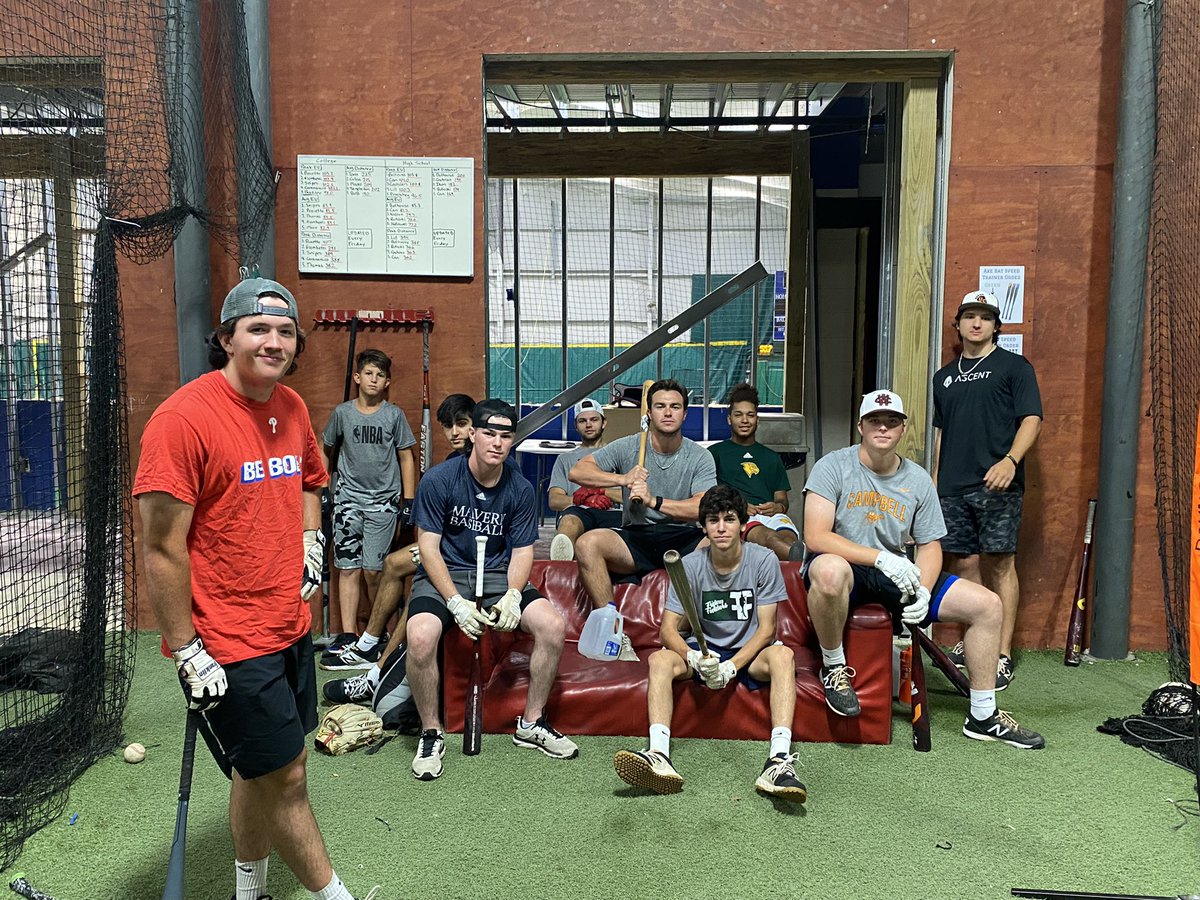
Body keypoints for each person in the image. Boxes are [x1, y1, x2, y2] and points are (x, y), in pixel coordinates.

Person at [134, 277, 368, 900]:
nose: (273, 341)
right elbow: (158, 546)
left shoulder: (288, 407)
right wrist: (185, 648)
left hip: (289, 622)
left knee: (256, 769)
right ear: (227, 337)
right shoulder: (183, 420)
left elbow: (310, 482)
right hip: (228, 638)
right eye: (258, 329)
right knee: (287, 778)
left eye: (285, 330)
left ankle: (250, 889)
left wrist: (309, 542)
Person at [802, 389, 1044, 749]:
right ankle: (834, 667)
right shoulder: (833, 466)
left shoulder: (916, 480)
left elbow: (930, 544)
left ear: (902, 429)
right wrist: (880, 558)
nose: (882, 428)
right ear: (860, 427)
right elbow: (816, 536)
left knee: (987, 605)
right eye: (874, 421)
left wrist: (924, 589)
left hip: (898, 574)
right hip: (848, 569)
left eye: (891, 422)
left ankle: (982, 714)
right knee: (829, 571)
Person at [406, 398, 579, 780]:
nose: (497, 443)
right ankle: (431, 732)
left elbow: (521, 552)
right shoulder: (440, 480)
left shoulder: (519, 488)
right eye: (489, 433)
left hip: (500, 572)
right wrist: (454, 602)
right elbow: (428, 547)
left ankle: (531, 724)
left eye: (505, 435)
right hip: (448, 571)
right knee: (420, 636)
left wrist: (514, 596)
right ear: (472, 434)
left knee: (552, 626)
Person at [613, 484, 807, 802]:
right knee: (659, 659)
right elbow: (667, 632)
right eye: (713, 520)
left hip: (749, 653)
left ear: (742, 523)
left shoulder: (764, 561)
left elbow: (767, 630)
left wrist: (730, 667)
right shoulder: (689, 565)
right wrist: (691, 658)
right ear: (703, 527)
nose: (720, 527)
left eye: (729, 519)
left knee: (783, 656)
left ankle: (778, 762)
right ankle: (659, 756)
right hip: (705, 653)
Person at [322, 394, 478, 701]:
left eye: (462, 424)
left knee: (421, 586)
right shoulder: (451, 463)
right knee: (393, 563)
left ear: (476, 426)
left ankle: (376, 674)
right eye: (448, 426)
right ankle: (368, 643)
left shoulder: (483, 462)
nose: (454, 433)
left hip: (467, 558)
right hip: (445, 547)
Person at [933, 290, 1043, 690]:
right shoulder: (943, 377)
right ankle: (976, 637)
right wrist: (934, 481)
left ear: (996, 325)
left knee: (1000, 564)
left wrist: (1010, 461)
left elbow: (1031, 420)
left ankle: (1001, 652)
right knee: (962, 564)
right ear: (958, 325)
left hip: (998, 484)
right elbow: (944, 433)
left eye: (985, 317)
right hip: (952, 488)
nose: (976, 323)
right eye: (969, 316)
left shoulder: (1014, 367)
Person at [569, 378, 717, 661]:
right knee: (588, 543)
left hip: (683, 538)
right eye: (660, 406)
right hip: (637, 537)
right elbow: (578, 471)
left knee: (713, 546)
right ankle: (615, 634)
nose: (668, 412)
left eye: (675, 407)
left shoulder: (700, 457)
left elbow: (703, 508)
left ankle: (677, 636)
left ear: (685, 413)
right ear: (649, 413)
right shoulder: (629, 447)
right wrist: (622, 478)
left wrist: (654, 501)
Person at [320, 349, 416, 668]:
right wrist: (323, 488)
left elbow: (405, 456)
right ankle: (350, 636)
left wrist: (408, 500)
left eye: (380, 375)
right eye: (369, 374)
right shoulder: (343, 413)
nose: (374, 380)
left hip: (383, 504)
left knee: (374, 571)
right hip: (347, 500)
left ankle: (377, 635)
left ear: (387, 382)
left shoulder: (394, 415)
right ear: (358, 378)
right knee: (347, 568)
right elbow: (326, 450)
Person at [708, 381, 802, 562]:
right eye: (738, 415)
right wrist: (737, 505)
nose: (745, 420)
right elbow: (708, 496)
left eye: (750, 415)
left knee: (789, 539)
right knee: (770, 538)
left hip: (772, 516)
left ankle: (798, 560)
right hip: (740, 517)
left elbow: (782, 499)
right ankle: (804, 562)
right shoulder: (714, 453)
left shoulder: (771, 457)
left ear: (757, 420)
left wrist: (778, 507)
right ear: (729, 419)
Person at [547, 398, 623, 562]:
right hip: (578, 513)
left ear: (604, 423)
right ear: (576, 425)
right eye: (582, 421)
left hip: (614, 514)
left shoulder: (619, 454)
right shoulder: (565, 460)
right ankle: (562, 563)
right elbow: (554, 500)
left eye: (594, 419)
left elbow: (633, 497)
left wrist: (601, 492)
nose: (588, 425)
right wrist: (579, 499)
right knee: (569, 523)